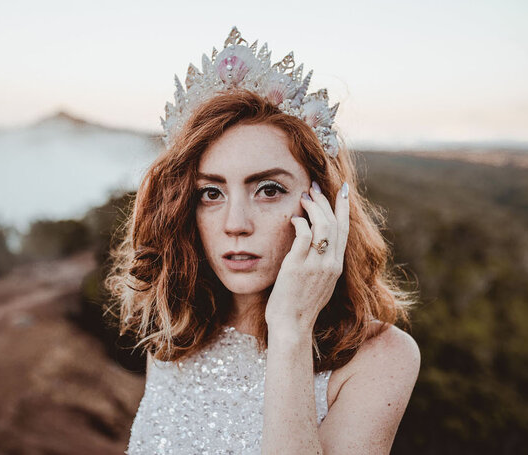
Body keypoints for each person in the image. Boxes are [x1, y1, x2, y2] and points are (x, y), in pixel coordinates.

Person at [105, 26, 421, 454]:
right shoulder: (177, 330)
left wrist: (291, 331)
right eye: (210, 193)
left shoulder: (380, 358)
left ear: (325, 206)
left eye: (268, 190)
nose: (235, 224)